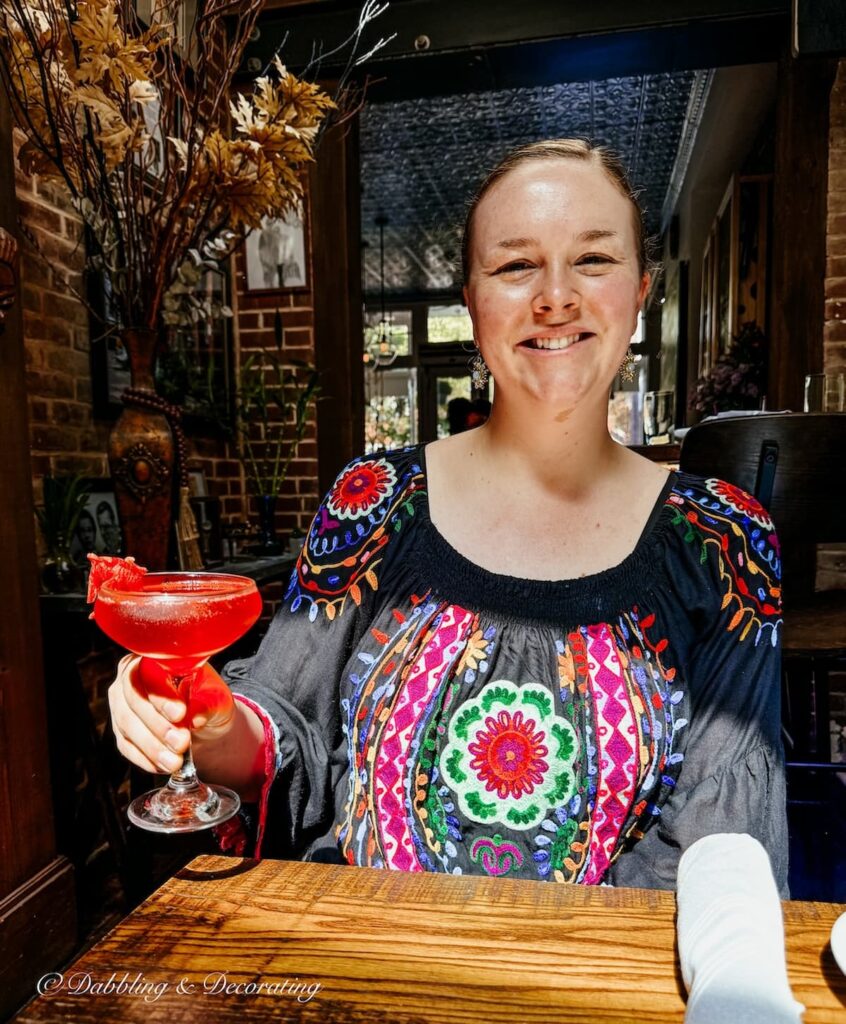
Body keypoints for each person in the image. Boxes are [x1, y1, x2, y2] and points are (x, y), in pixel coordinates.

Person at [108, 139, 786, 892]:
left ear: (640, 291)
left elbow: (722, 850)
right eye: (514, 265)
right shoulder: (372, 503)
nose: (555, 295)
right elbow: (279, 730)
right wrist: (203, 722)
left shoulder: (723, 538)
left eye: (593, 259)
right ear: (471, 302)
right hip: (357, 965)